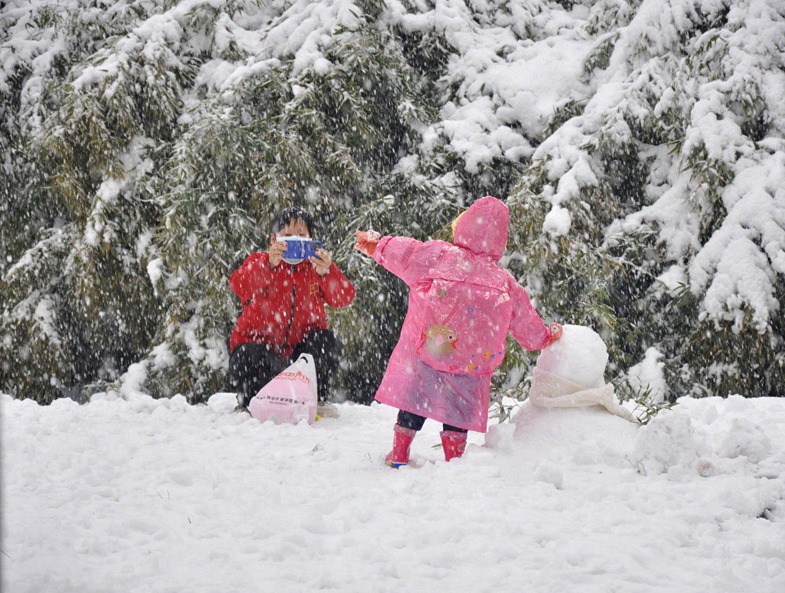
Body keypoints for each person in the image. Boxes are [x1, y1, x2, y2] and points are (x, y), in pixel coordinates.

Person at [354, 196, 562, 467]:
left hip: (431, 349)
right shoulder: (504, 281)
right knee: (458, 411)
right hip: (471, 363)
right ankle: (454, 462)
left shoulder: (440, 257)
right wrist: (545, 336)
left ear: (463, 224)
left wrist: (378, 245)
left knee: (415, 401)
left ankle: (400, 454)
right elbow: (524, 318)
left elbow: (407, 254)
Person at [228, 207, 355, 416]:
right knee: (248, 355)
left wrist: (326, 272)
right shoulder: (261, 261)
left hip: (299, 358)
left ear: (311, 239)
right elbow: (238, 285)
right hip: (261, 350)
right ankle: (250, 402)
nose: (294, 240)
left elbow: (344, 298)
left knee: (324, 342)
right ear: (273, 240)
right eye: (287, 236)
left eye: (301, 235)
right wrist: (268, 264)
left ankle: (316, 398)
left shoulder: (315, 268)